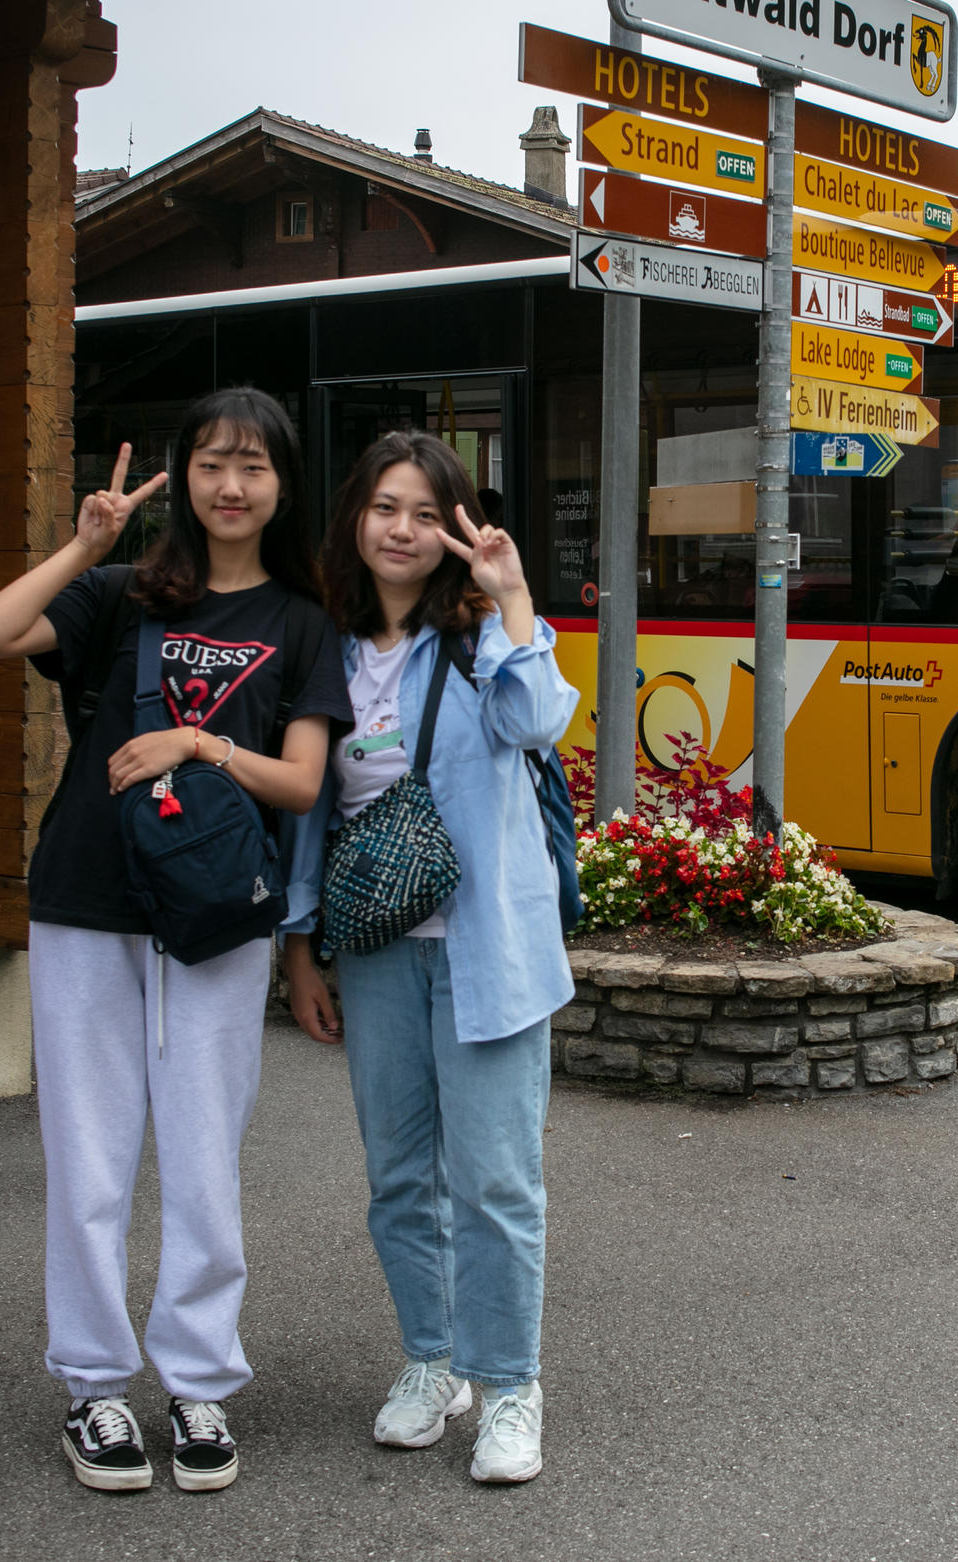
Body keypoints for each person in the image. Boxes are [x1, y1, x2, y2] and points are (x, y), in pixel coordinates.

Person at [0, 388, 340, 1495]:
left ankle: (200, 1379)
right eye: (213, 462)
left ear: (281, 484)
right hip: (86, 897)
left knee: (205, 1155)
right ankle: (93, 1387)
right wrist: (85, 544)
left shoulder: (299, 620)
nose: (232, 484)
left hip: (216, 914)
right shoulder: (120, 595)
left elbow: (304, 781)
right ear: (186, 474)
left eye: (254, 466)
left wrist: (196, 742)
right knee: (89, 1154)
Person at [279, 431, 578, 1485]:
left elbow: (542, 721)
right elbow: (312, 810)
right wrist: (302, 949)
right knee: (400, 1175)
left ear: (452, 526)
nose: (400, 529)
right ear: (354, 518)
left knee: (496, 1179)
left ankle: (509, 1385)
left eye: (422, 511)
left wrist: (512, 597)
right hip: (374, 950)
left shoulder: (475, 639)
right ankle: (431, 1360)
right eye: (383, 507)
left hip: (487, 949)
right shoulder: (326, 645)